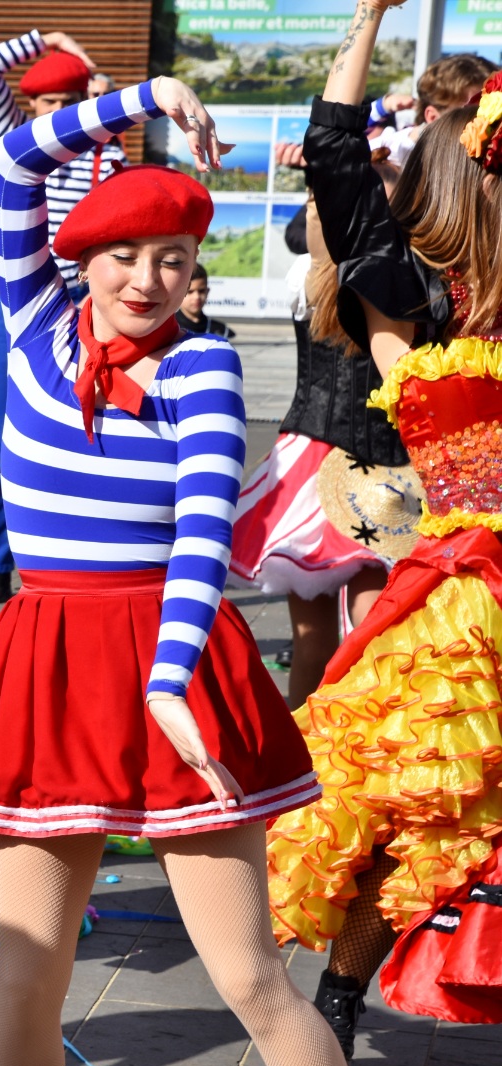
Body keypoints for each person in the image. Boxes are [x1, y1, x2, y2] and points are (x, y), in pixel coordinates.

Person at [0, 74, 393, 1066]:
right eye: (123, 254)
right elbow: (15, 158)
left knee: (248, 973)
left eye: (173, 258)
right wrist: (147, 94)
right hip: (46, 659)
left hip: (171, 652)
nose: (146, 278)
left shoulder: (204, 362)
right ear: (81, 256)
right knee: (31, 970)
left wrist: (169, 681)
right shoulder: (31, 316)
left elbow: (199, 538)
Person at [269, 0, 502, 1059]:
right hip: (462, 592)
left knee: (448, 808)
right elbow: (334, 155)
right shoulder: (414, 295)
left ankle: (342, 995)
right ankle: (338, 995)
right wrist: (366, 21)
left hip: (470, 589)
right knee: (421, 803)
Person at [0, 29, 123, 606]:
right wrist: (50, 39)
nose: (57, 112)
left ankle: (75, 549)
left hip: (86, 305)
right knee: (0, 437)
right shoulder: (12, 139)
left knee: (86, 427)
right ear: (29, 105)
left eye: (69, 102)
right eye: (47, 102)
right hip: (23, 306)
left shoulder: (107, 153)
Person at [229, 198, 403, 707]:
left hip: (352, 461)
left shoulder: (330, 274)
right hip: (341, 464)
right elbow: (313, 222)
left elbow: (313, 222)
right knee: (341, 635)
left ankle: (333, 742)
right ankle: (319, 745)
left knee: (353, 631)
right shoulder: (333, 276)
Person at [175, 262, 234, 337]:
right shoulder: (168, 329)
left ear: (207, 291)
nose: (196, 297)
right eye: (190, 292)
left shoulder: (223, 332)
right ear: (178, 293)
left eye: (201, 291)